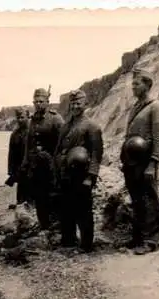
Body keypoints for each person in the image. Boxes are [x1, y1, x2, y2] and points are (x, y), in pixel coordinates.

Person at [120, 67, 159, 255]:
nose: (133, 87)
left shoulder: (156, 106)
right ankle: (138, 236)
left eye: (136, 83)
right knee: (137, 199)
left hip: (145, 161)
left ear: (147, 85)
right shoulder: (136, 106)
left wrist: (153, 163)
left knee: (149, 198)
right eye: (132, 83)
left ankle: (151, 239)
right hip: (131, 161)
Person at [53, 89, 104, 252]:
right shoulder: (66, 126)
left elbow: (97, 153)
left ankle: (86, 244)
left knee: (83, 209)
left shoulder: (92, 126)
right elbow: (59, 149)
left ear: (85, 104)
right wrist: (56, 169)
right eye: (73, 103)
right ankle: (68, 240)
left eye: (78, 103)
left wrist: (91, 176)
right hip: (65, 174)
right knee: (66, 207)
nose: (75, 106)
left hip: (81, 175)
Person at [21, 87, 65, 229]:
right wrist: (26, 162)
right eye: (36, 101)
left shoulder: (56, 119)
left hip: (52, 165)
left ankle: (57, 225)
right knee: (39, 196)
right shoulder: (33, 120)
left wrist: (58, 163)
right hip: (37, 166)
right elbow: (29, 143)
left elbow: (64, 142)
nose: (38, 104)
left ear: (47, 102)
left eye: (41, 101)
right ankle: (43, 224)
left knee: (54, 194)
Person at [5, 107, 32, 206]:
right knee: (21, 194)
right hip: (20, 168)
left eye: (22, 117)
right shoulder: (14, 134)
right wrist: (11, 171)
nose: (20, 120)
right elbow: (11, 154)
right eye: (18, 117)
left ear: (28, 117)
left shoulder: (33, 130)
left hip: (32, 167)